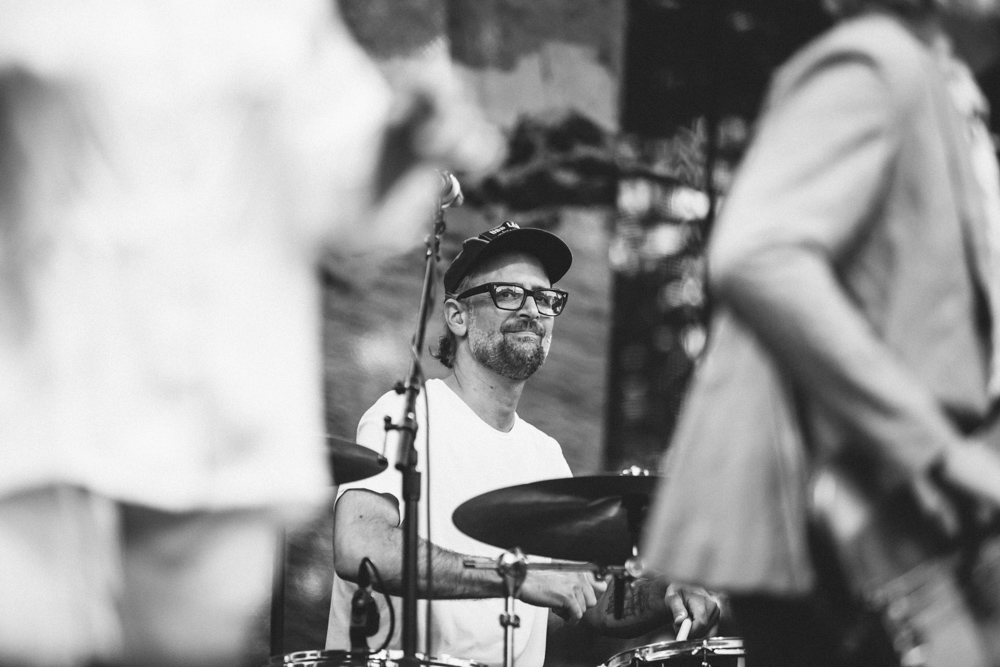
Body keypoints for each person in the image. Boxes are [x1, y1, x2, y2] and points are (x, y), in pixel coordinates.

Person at [0, 2, 501, 667]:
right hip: (37, 414)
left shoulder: (282, 17)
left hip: (219, 427)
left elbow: (354, 211)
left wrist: (406, 142)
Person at [641, 1, 1000, 666]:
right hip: (849, 518)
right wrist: (938, 451)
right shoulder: (875, 61)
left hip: (902, 513)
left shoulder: (941, 92)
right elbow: (760, 251)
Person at [327, 221, 720, 666]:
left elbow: (595, 600)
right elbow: (360, 545)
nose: (532, 310)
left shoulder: (544, 455)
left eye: (545, 298)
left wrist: (666, 592)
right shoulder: (405, 414)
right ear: (457, 316)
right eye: (509, 294)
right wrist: (515, 576)